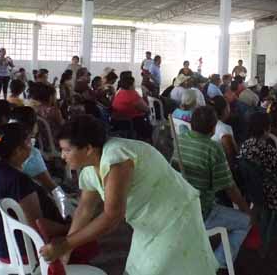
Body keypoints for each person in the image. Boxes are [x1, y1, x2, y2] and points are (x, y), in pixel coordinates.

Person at [40, 115, 218, 274]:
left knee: (159, 269)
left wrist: (66, 244)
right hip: (148, 221)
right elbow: (85, 209)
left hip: (175, 215)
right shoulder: (90, 169)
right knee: (137, 269)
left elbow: (112, 216)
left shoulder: (117, 157)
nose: (62, 156)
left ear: (88, 149)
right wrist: (67, 248)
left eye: (67, 150)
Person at [0, 123, 92, 265]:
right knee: (87, 241)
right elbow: (38, 226)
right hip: (28, 252)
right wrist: (70, 229)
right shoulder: (18, 181)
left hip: (6, 248)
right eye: (29, 142)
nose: (32, 147)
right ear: (18, 150)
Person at [177, 106, 251, 271]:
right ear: (213, 128)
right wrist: (247, 211)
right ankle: (217, 262)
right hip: (201, 213)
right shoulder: (213, 148)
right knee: (245, 222)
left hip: (179, 207)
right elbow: (230, 188)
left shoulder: (180, 138)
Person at [111, 76, 152, 142]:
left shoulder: (119, 92)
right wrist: (145, 96)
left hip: (116, 121)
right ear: (131, 85)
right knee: (147, 122)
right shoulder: (132, 94)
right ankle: (147, 140)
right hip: (129, 122)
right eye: (134, 84)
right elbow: (146, 109)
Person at [211, 96, 238, 166]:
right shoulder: (225, 129)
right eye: (228, 106)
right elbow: (232, 155)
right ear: (225, 110)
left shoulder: (207, 123)